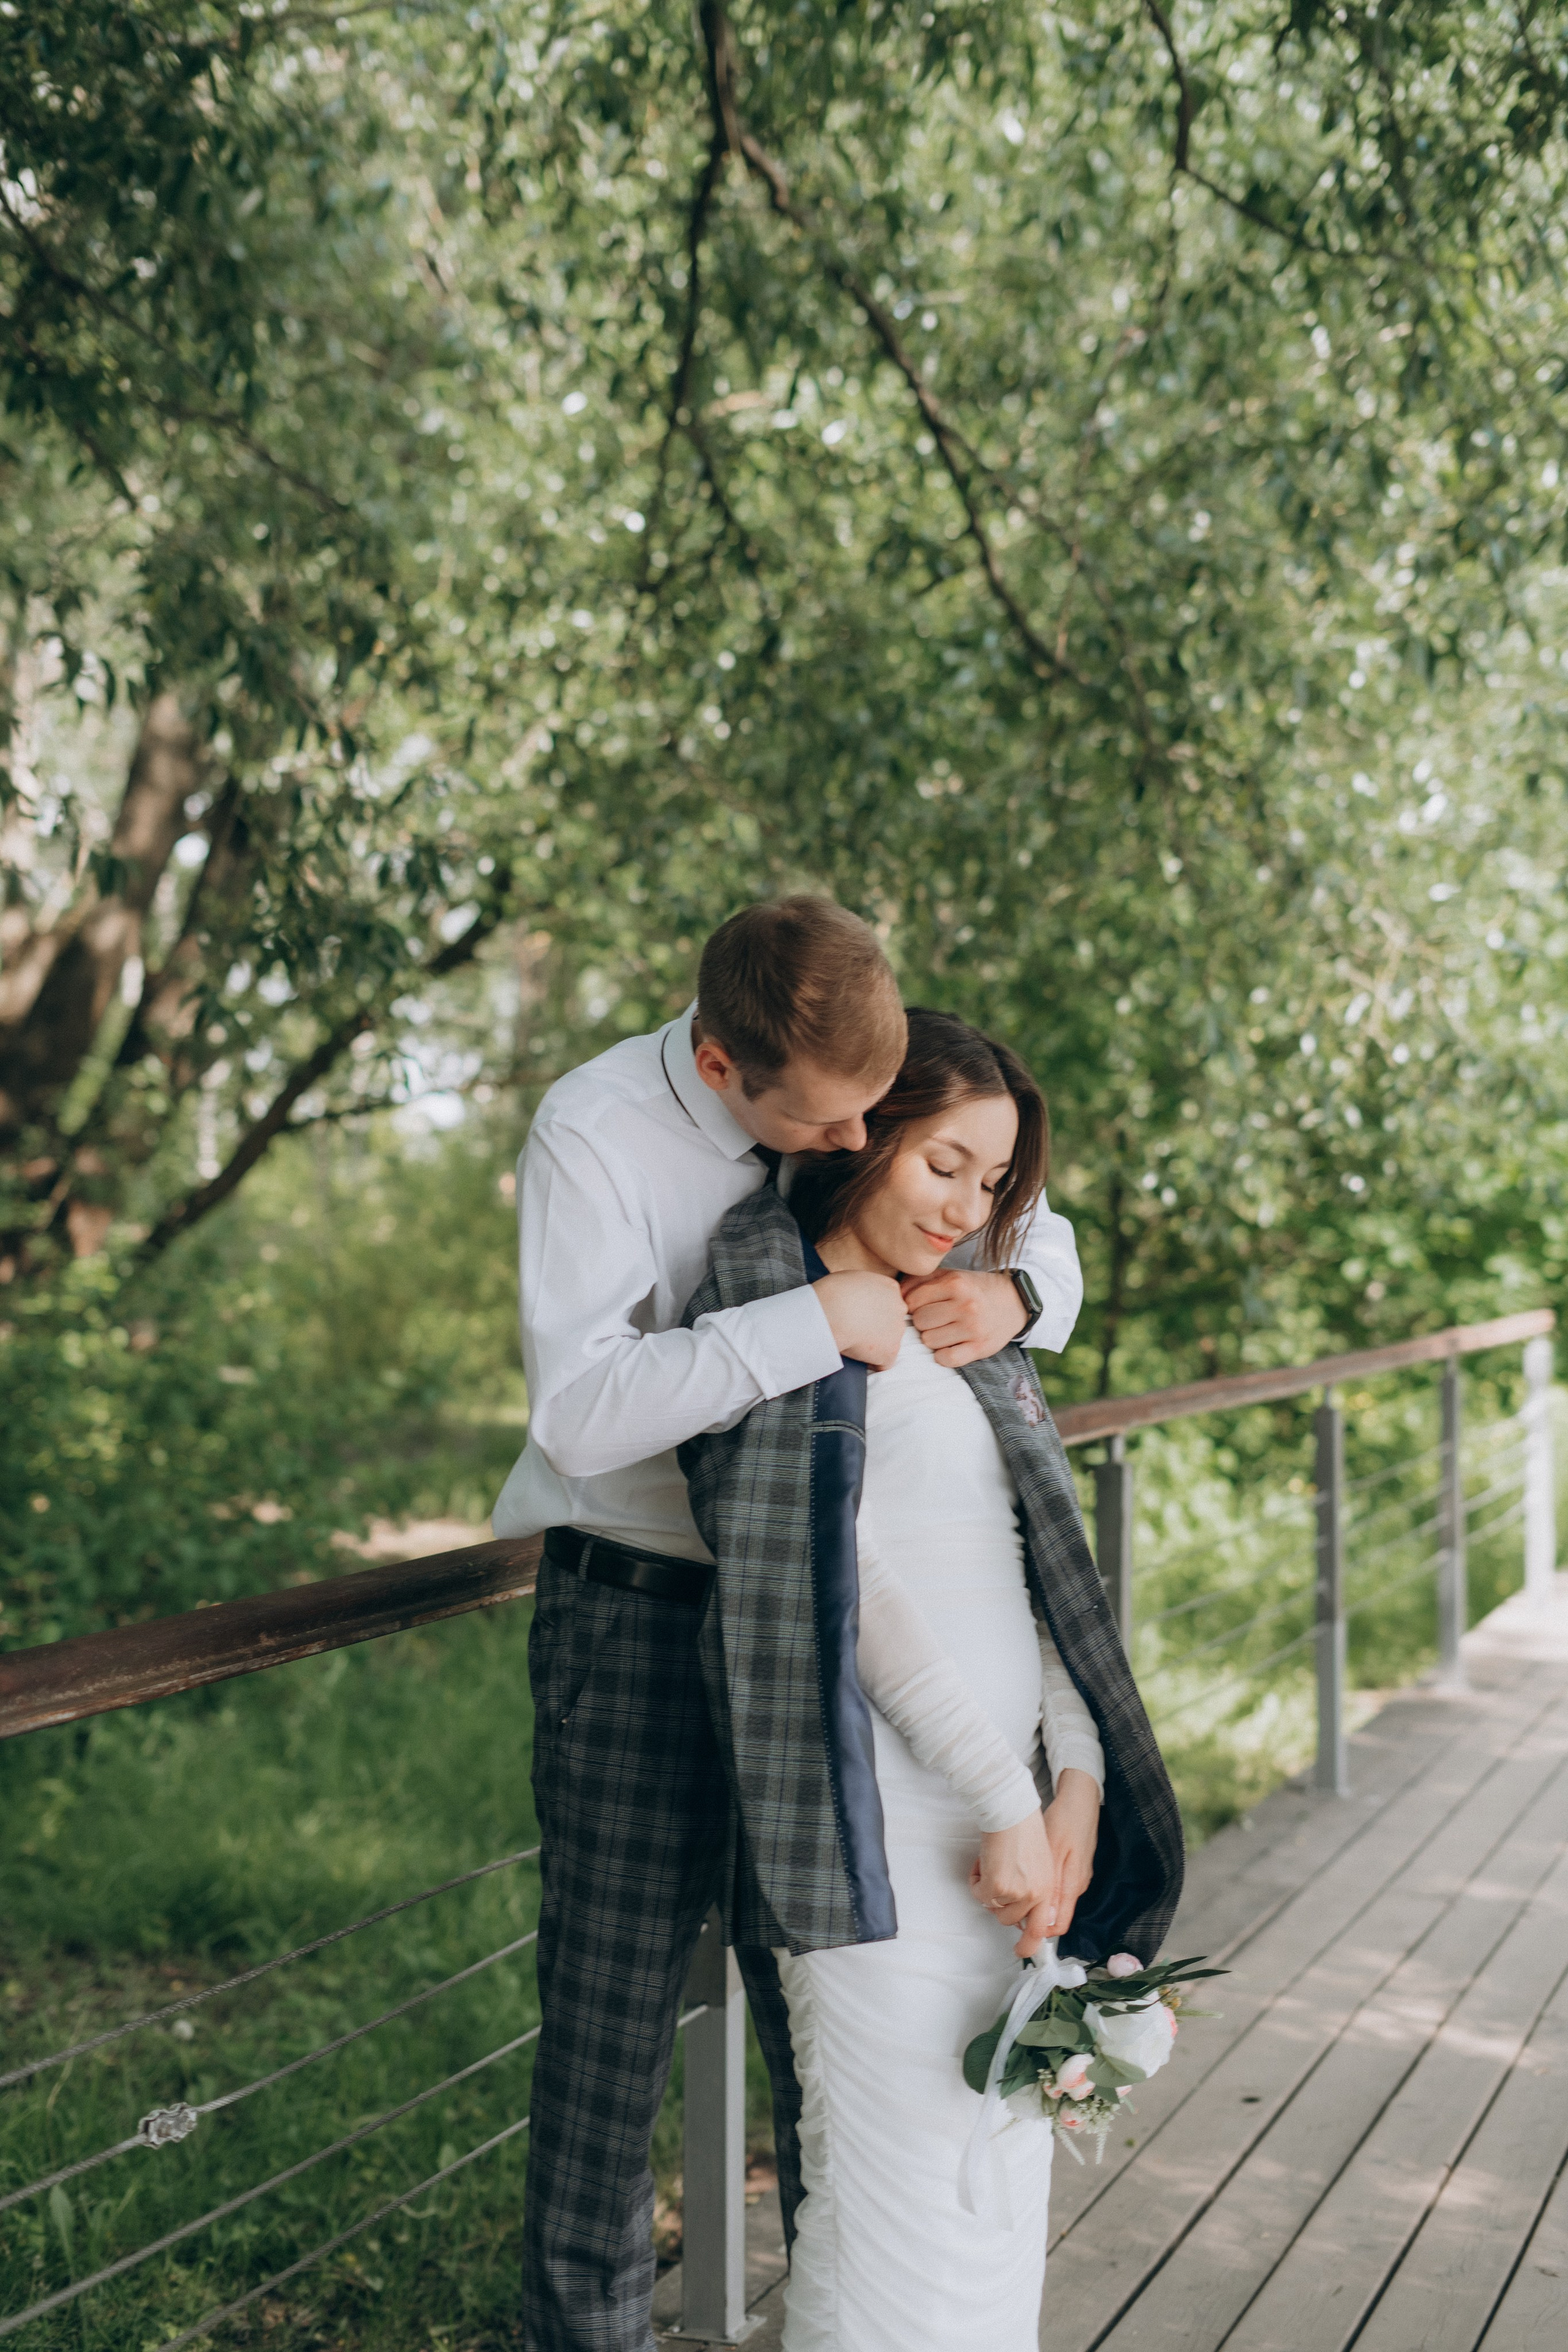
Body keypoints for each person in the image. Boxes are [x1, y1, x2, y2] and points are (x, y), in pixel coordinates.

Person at [492, 899, 1085, 2352]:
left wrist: (1019, 1291)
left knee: (828, 2031)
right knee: (609, 2048)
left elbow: (1013, 1201)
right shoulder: (593, 1132)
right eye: (827, 1124)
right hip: (643, 1615)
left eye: (870, 1115)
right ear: (718, 1069)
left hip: (829, 1650)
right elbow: (578, 1411)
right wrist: (816, 1322)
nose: (850, 1142)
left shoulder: (850, 1089)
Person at [679, 1009, 1183, 2352]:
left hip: (1018, 1830)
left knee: (993, 2184)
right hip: (881, 1834)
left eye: (992, 1181)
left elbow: (1034, 1577)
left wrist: (1072, 1786)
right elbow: (844, 1596)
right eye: (942, 1165)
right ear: (863, 1137)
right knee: (886, 2204)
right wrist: (999, 1799)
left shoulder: (964, 1327)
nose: (967, 1209)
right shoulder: (779, 1315)